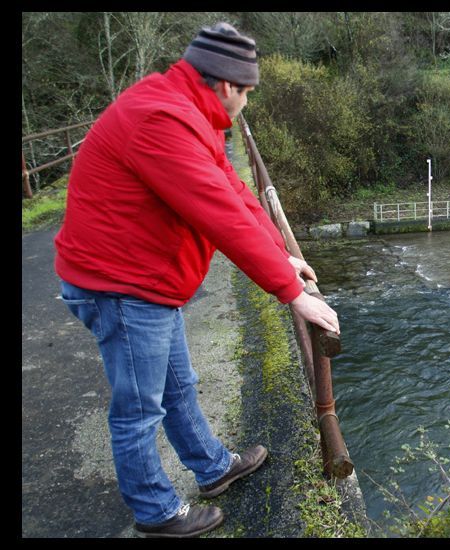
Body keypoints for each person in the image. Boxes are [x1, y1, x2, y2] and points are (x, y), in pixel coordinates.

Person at [54, 22, 340, 538]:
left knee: (178, 386)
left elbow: (232, 190)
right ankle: (156, 512)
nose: (247, 104)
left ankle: (212, 468)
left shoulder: (188, 111)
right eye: (248, 93)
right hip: (119, 284)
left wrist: (282, 254)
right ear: (229, 85)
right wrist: (292, 293)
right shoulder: (162, 119)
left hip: (144, 281)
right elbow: (219, 215)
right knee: (139, 409)